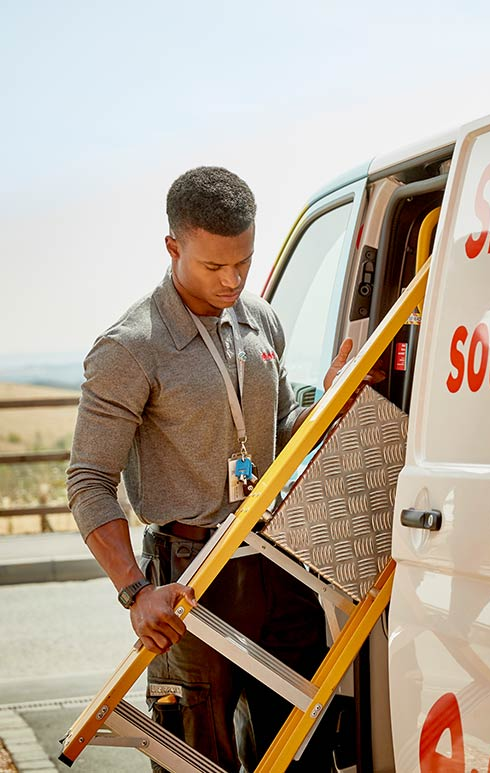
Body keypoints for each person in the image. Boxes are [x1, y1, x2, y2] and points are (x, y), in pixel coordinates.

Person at [67, 166, 353, 771]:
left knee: (303, 754)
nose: (232, 280)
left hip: (281, 567)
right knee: (200, 762)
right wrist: (134, 591)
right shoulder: (130, 346)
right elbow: (89, 482)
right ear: (174, 248)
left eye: (243, 263)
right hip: (190, 583)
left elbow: (275, 440)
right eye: (214, 266)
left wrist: (327, 401)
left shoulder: (261, 320)